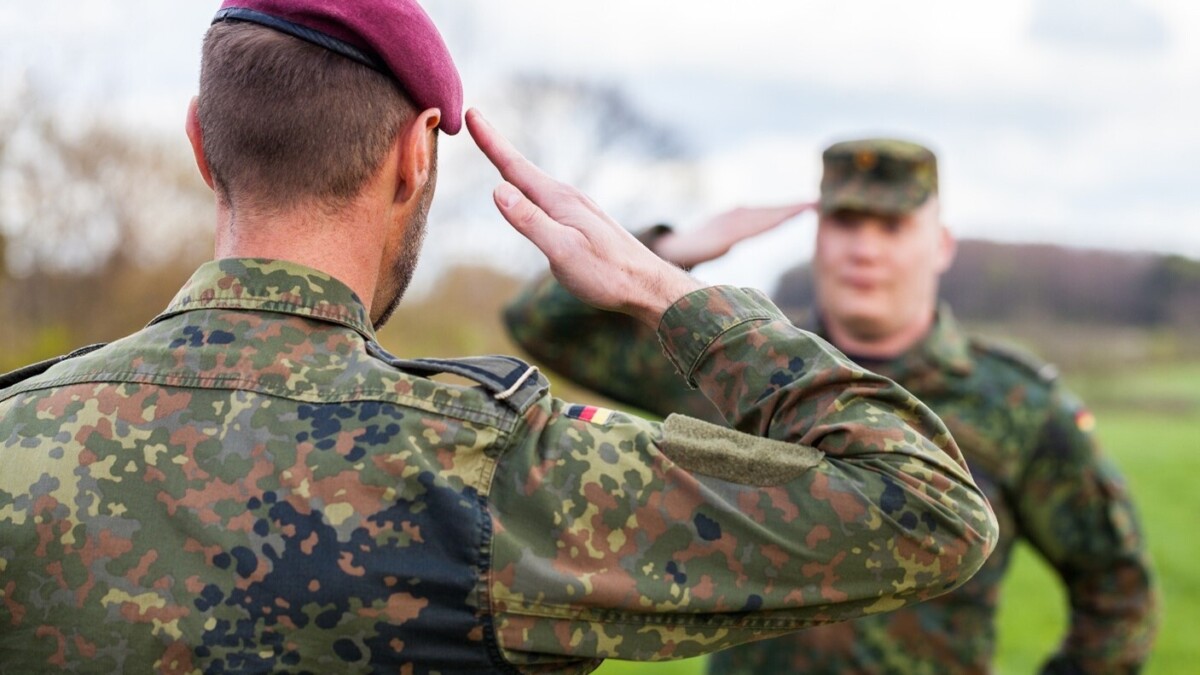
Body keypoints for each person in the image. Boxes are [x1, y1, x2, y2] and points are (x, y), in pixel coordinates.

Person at [0, 3, 998, 672]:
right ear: (409, 158)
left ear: (200, 140)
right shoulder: (490, 473)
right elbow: (927, 509)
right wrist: (669, 290)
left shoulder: (16, 437)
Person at [504, 138, 1160, 673]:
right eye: (845, 221)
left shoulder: (1015, 403)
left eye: (893, 224)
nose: (865, 248)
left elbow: (1118, 589)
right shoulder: (741, 366)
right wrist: (667, 257)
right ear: (817, 236)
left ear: (942, 245)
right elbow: (543, 322)